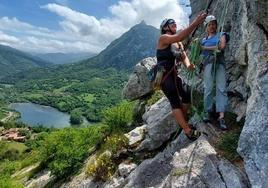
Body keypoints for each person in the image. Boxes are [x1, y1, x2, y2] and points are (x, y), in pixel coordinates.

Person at [156, 12, 207, 141]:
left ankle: (182, 121)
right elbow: (181, 35)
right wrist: (195, 23)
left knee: (185, 95)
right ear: (165, 27)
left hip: (174, 74)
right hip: (165, 76)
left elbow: (184, 57)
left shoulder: (178, 43)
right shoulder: (163, 38)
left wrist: (189, 65)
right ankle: (187, 131)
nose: (175, 24)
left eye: (174, 23)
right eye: (171, 23)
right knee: (174, 100)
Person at [201, 15, 228, 130]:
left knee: (221, 88)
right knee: (208, 88)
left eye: (213, 24)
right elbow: (200, 54)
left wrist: (205, 48)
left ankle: (221, 116)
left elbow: (221, 46)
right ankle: (207, 111)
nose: (212, 26)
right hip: (208, 65)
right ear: (206, 26)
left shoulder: (222, 34)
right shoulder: (203, 40)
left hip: (219, 64)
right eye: (209, 24)